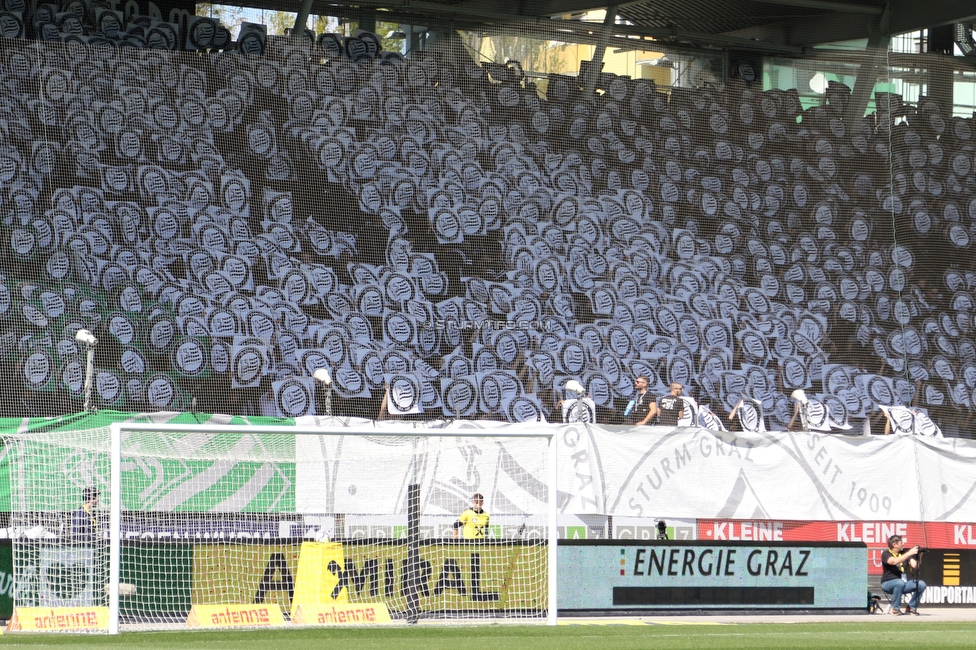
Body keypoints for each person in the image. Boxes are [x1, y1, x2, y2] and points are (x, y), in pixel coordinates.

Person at [881, 534, 926, 615]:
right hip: (888, 583)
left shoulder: (903, 553)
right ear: (894, 545)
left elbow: (914, 565)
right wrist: (909, 553)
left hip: (902, 583)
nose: (903, 544)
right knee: (899, 582)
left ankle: (911, 607)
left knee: (921, 584)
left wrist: (918, 556)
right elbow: (894, 561)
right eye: (901, 542)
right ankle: (895, 609)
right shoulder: (886, 554)